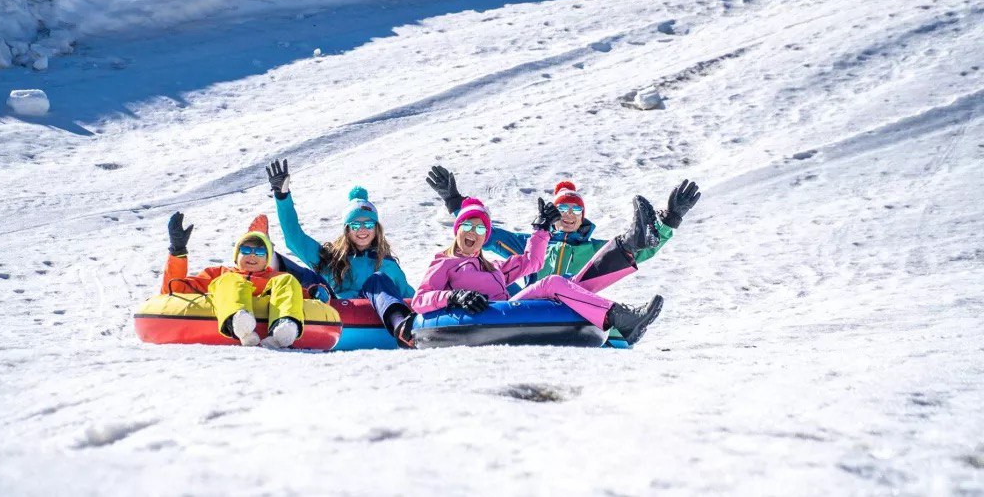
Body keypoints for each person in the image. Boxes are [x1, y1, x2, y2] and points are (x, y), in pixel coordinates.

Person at [411, 197, 664, 345]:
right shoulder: (445, 262)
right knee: (552, 283)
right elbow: (420, 299)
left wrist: (542, 229)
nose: (473, 234)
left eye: (480, 230)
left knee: (573, 284)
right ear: (457, 229)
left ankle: (631, 242)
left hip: (503, 312)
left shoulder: (493, 267)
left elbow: (532, 262)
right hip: (479, 317)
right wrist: (454, 297)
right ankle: (619, 317)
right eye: (467, 226)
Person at [425, 166, 701, 294]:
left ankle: (631, 239)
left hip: (577, 304)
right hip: (535, 305)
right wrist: (455, 202)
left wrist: (671, 220)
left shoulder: (594, 249)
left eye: (576, 210)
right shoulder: (530, 244)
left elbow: (643, 252)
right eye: (564, 210)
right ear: (554, 216)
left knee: (622, 252)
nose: (569, 216)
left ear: (583, 216)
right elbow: (483, 234)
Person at [266, 159, 417, 345]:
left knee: (378, 279)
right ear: (347, 229)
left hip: (375, 316)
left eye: (368, 224)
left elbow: (411, 298)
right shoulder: (332, 258)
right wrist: (282, 197)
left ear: (376, 228)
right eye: (355, 224)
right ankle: (259, 266)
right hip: (332, 309)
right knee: (308, 276)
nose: (362, 229)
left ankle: (401, 329)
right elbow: (295, 239)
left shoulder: (387, 265)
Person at [161, 212, 305, 348]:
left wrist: (316, 292)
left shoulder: (276, 278)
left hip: (276, 326)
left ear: (267, 259)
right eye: (246, 250)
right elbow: (175, 289)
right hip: (233, 315)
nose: (252, 256)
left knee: (288, 279)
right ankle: (238, 321)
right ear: (236, 256)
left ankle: (285, 326)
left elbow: (297, 295)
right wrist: (177, 252)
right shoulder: (218, 273)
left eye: (260, 252)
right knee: (230, 280)